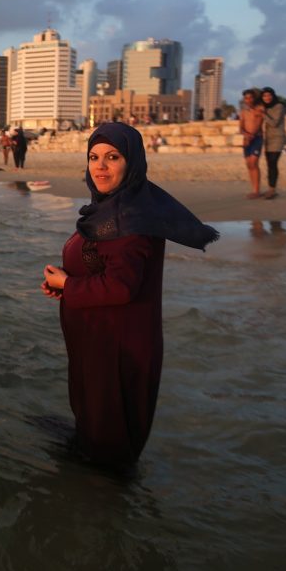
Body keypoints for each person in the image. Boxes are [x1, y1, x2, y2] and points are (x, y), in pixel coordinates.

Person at [40, 123, 218, 469]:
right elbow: (102, 270)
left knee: (109, 448)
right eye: (93, 157)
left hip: (118, 348)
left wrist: (69, 286)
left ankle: (111, 511)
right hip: (99, 341)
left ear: (132, 163)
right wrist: (64, 285)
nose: (100, 166)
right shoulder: (109, 211)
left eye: (112, 157)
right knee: (93, 430)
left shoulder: (131, 219)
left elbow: (121, 287)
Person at [239, 88, 265, 198]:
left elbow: (259, 123)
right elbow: (241, 127)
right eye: (246, 98)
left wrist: (251, 135)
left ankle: (256, 191)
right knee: (249, 164)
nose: (248, 100)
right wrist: (245, 134)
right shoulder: (243, 112)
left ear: (254, 98)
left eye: (250, 98)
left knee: (254, 163)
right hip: (246, 139)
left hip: (256, 138)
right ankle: (253, 189)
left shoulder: (259, 109)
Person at [260, 87, 285, 200]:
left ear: (273, 95)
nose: (267, 98)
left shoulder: (279, 106)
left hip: (277, 139)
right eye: (264, 96)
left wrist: (263, 114)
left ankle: (272, 190)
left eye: (269, 95)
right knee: (269, 164)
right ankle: (271, 188)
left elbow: (274, 123)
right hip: (268, 140)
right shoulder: (264, 108)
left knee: (273, 163)